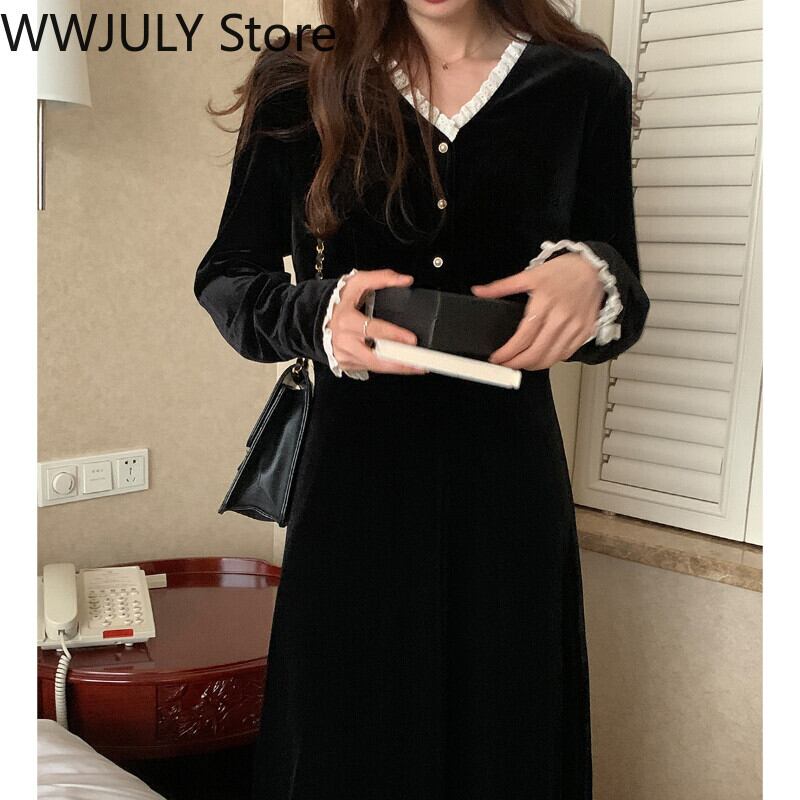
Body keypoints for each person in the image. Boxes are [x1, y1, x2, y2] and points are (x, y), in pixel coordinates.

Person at [194, 1, 650, 797]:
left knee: (506, 738)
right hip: (352, 492)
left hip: (508, 495)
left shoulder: (583, 85)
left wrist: (595, 273)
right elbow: (227, 279)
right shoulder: (300, 77)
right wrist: (319, 315)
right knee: (346, 742)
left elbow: (623, 308)